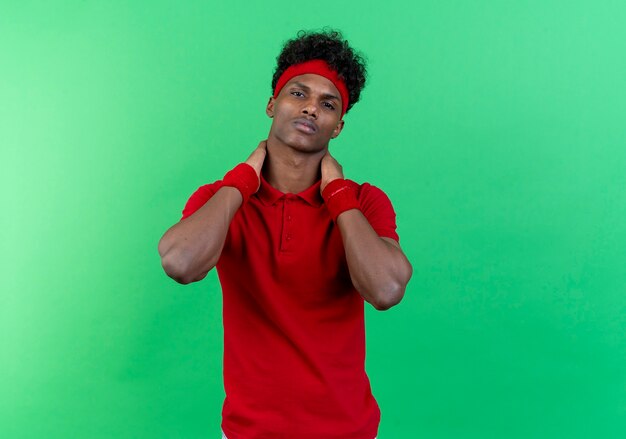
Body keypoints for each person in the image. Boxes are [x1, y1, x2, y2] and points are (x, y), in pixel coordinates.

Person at [158, 29, 413, 439]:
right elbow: (179, 262)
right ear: (272, 104)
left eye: (327, 104)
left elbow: (386, 290)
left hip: (347, 431)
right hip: (248, 432)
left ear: (338, 127)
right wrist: (242, 182)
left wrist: (338, 196)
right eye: (299, 94)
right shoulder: (220, 199)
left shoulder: (364, 202)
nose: (311, 108)